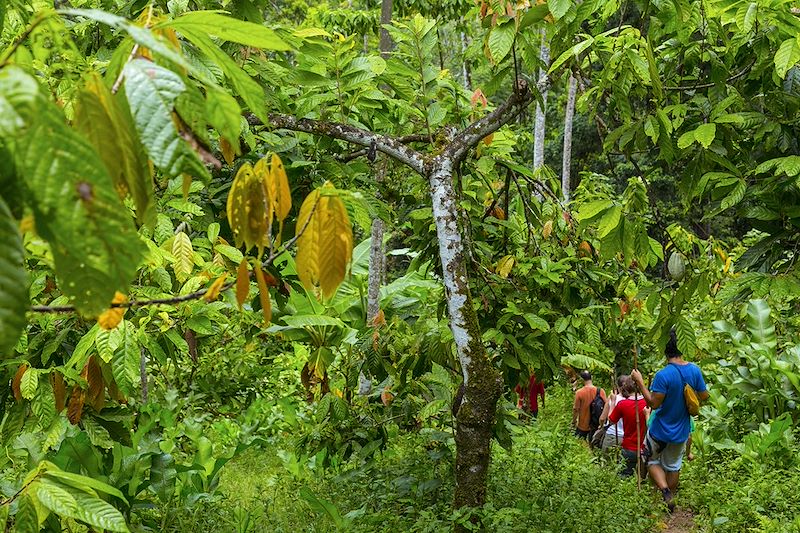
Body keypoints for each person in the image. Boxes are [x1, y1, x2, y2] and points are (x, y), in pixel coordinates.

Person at [631, 330, 709, 511]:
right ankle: (669, 498)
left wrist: (640, 382)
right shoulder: (694, 370)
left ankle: (664, 491)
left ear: (665, 349)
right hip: (681, 431)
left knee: (650, 460)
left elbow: (653, 404)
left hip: (659, 429)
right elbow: (704, 396)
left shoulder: (663, 375)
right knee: (673, 466)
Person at [607, 376, 648, 477]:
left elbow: (611, 420)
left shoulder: (622, 404)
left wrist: (612, 402)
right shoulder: (648, 403)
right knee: (643, 478)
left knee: (625, 476)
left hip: (629, 447)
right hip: (646, 448)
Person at [572, 370, 606, 440]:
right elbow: (606, 406)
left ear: (582, 379)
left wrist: (574, 421)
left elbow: (576, 409)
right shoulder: (601, 391)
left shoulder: (579, 392)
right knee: (594, 445)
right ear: (591, 378)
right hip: (596, 424)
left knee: (579, 444)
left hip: (583, 425)